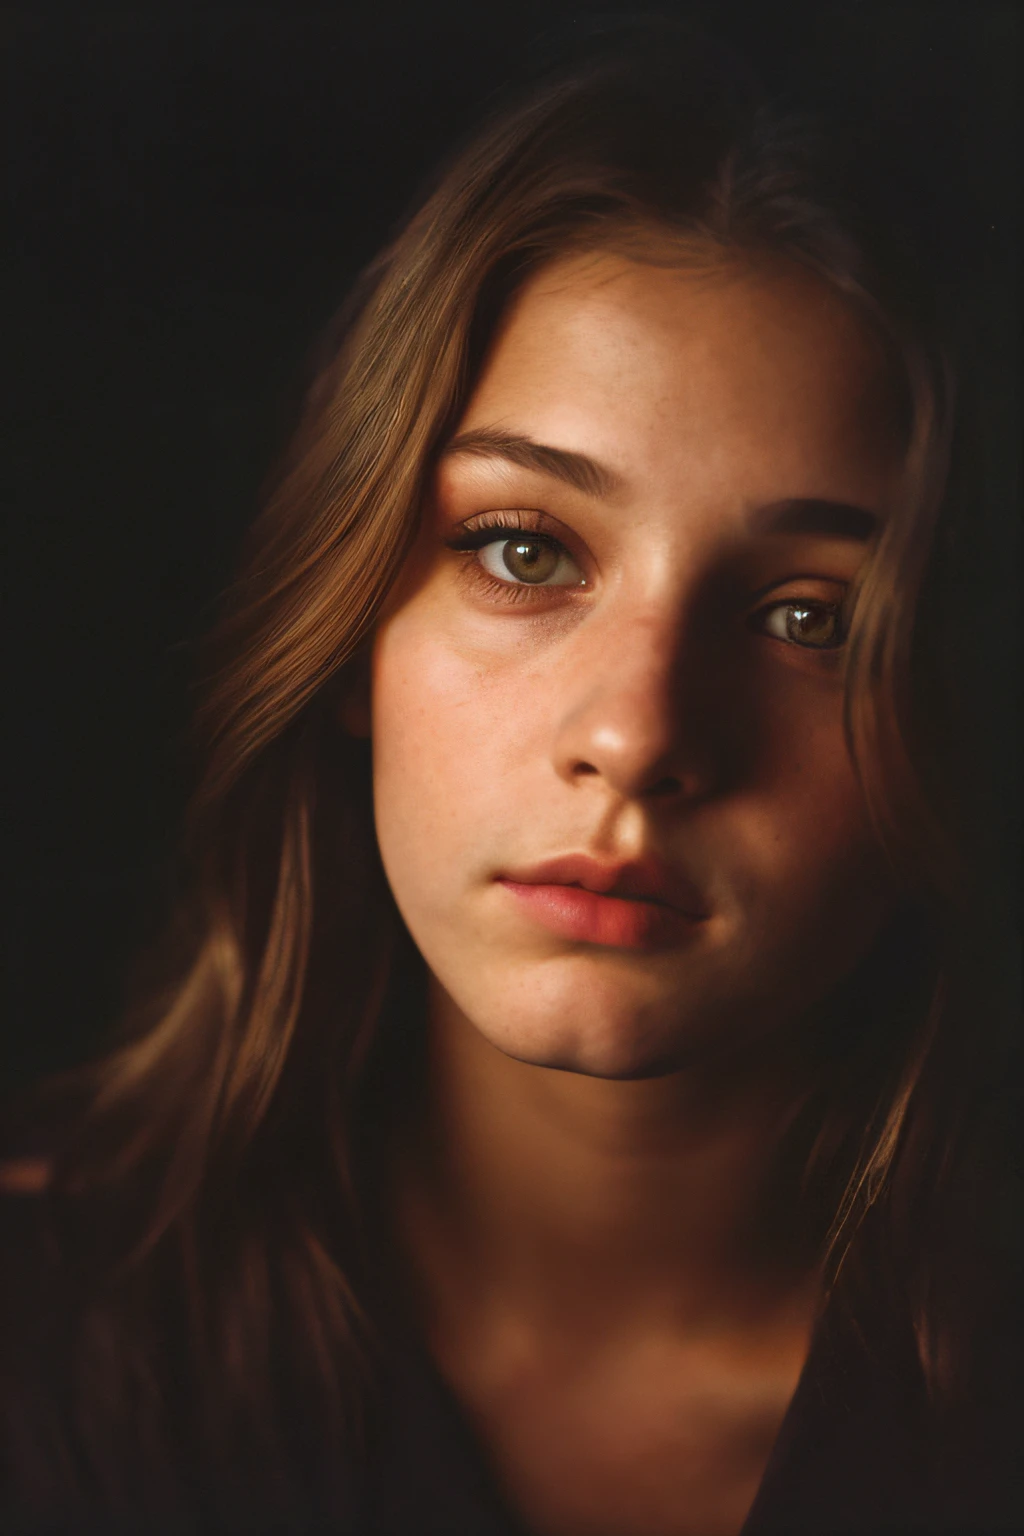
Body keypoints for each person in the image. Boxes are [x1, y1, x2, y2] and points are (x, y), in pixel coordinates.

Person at [2, 26, 1019, 1536]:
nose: (640, 734)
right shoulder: (46, 1358)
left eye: (811, 620)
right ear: (349, 629)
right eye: (525, 551)